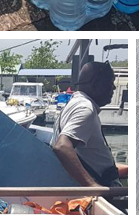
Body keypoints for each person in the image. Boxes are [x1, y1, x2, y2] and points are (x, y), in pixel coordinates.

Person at [50, 60, 122, 189]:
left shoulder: (75, 103)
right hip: (98, 191)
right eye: (110, 83)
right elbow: (62, 147)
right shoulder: (85, 108)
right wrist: (92, 185)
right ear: (95, 84)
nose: (114, 88)